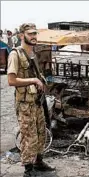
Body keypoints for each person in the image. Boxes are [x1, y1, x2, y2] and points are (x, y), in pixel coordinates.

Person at [7, 23, 55, 177]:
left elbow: (36, 75)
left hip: (36, 101)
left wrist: (42, 81)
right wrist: (34, 80)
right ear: (22, 35)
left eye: (35, 33)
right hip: (24, 104)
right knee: (29, 136)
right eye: (30, 34)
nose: (34, 37)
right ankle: (28, 169)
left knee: (41, 133)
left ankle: (39, 162)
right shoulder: (15, 54)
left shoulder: (32, 53)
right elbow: (11, 80)